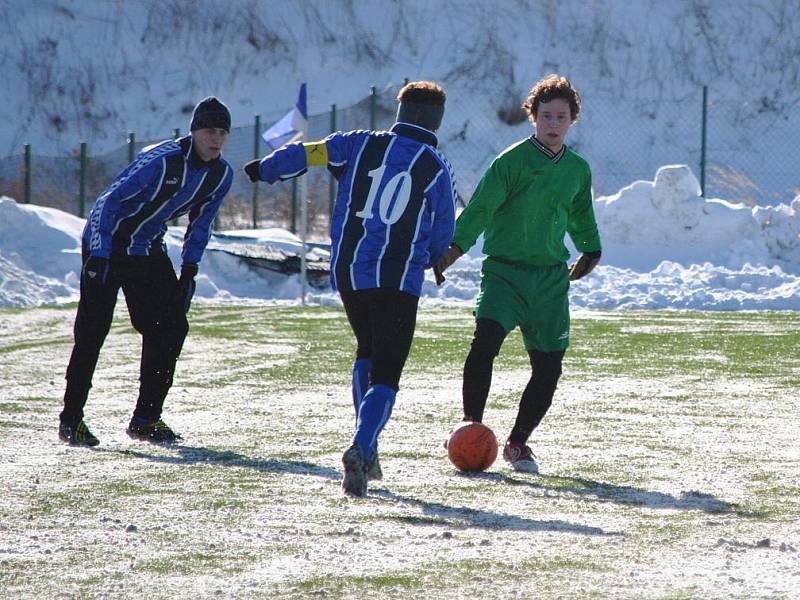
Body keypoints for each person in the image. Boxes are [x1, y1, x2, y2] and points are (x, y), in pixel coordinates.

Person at [244, 81, 456, 496]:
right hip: (397, 276)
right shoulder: (435, 165)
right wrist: (432, 257)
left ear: (400, 112)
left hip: (350, 271)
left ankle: (369, 451)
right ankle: (362, 446)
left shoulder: (359, 143)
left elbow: (310, 152)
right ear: (437, 120)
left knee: (366, 351)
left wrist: (266, 168)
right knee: (388, 370)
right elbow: (444, 228)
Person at [435, 74, 602, 474]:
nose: (553, 123)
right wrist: (455, 247)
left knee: (549, 368)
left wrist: (590, 247)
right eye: (546, 115)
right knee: (485, 342)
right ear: (533, 117)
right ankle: (470, 424)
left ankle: (517, 444)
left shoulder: (578, 169)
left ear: (571, 120)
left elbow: (580, 214)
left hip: (549, 280)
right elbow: (481, 209)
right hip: (504, 275)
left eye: (561, 116)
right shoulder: (510, 162)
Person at [58, 96, 234, 447]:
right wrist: (99, 256)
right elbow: (108, 202)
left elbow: (201, 225)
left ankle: (145, 419)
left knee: (171, 327)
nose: (216, 139)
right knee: (92, 332)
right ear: (195, 131)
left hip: (146, 250)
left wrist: (189, 271)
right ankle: (71, 420)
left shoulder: (220, 175)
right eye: (210, 131)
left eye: (222, 132)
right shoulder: (164, 160)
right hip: (107, 245)